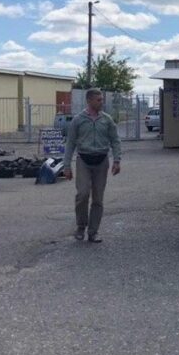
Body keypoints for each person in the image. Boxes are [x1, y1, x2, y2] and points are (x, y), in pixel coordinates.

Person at [63, 88, 122, 243]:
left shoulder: (107, 120)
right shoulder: (78, 120)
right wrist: (67, 166)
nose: (101, 102)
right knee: (82, 194)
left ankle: (93, 232)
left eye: (102, 99)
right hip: (84, 161)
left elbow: (115, 140)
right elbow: (70, 143)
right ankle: (81, 227)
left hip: (101, 162)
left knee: (98, 199)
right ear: (89, 101)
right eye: (98, 100)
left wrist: (117, 160)